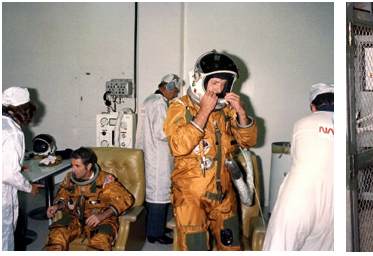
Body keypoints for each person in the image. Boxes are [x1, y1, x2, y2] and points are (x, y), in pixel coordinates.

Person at [165, 50, 258, 251]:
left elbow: (248, 141)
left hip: (223, 191)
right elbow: (178, 147)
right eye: (215, 83)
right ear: (200, 81)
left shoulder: (226, 109)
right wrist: (205, 110)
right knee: (195, 247)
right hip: (190, 193)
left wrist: (241, 112)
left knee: (231, 245)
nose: (219, 89)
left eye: (224, 85)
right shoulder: (179, 106)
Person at [263, 83, 335, 251]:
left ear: (313, 106)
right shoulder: (347, 127)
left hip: (300, 197)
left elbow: (297, 156)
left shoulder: (302, 123)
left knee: (280, 244)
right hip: (333, 202)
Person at [44, 147, 135, 251]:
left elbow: (126, 199)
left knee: (99, 243)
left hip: (102, 220)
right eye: (72, 165)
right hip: (76, 218)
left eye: (77, 166)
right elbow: (64, 196)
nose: (73, 170)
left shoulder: (105, 180)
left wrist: (103, 215)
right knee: (56, 235)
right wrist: (57, 206)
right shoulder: (70, 178)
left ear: (89, 166)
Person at [136, 74, 181, 245]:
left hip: (149, 153)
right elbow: (161, 132)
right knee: (158, 193)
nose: (175, 94)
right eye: (175, 91)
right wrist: (179, 128)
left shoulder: (148, 100)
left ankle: (154, 227)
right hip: (157, 156)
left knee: (152, 192)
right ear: (169, 88)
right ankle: (155, 234)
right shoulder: (159, 104)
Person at [2, 87, 43, 251]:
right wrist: (28, 187)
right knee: (3, 240)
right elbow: (8, 175)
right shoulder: (12, 132)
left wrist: (16, 165)